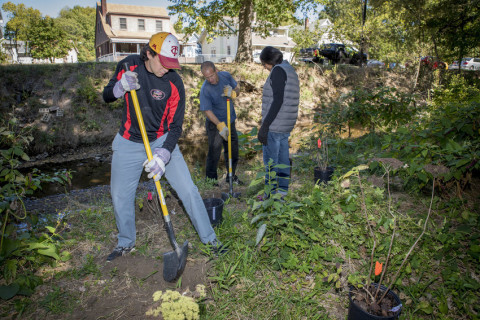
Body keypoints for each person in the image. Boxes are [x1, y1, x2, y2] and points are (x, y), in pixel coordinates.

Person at [102, 32, 224, 261]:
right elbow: (106, 95)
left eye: (171, 64)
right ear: (149, 53)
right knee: (120, 195)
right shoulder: (128, 66)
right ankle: (125, 243)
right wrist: (119, 87)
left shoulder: (174, 82)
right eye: (163, 62)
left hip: (160, 139)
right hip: (128, 140)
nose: (166, 69)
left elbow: (176, 126)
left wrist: (164, 153)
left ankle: (210, 239)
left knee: (188, 190)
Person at [257, 46, 300, 199]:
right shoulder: (290, 70)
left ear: (268, 62)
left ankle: (269, 194)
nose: (264, 68)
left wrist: (265, 126)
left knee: (271, 161)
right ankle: (282, 193)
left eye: (264, 64)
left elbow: (278, 100)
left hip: (275, 124)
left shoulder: (277, 71)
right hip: (286, 124)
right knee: (283, 159)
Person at [199, 61, 243, 186]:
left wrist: (234, 93)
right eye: (207, 77)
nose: (210, 79)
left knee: (233, 150)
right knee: (214, 152)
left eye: (212, 75)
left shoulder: (226, 76)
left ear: (216, 70)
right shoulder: (205, 89)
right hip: (215, 124)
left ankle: (231, 176)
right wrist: (220, 126)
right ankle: (211, 181)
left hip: (230, 120)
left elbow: (237, 89)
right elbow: (207, 111)